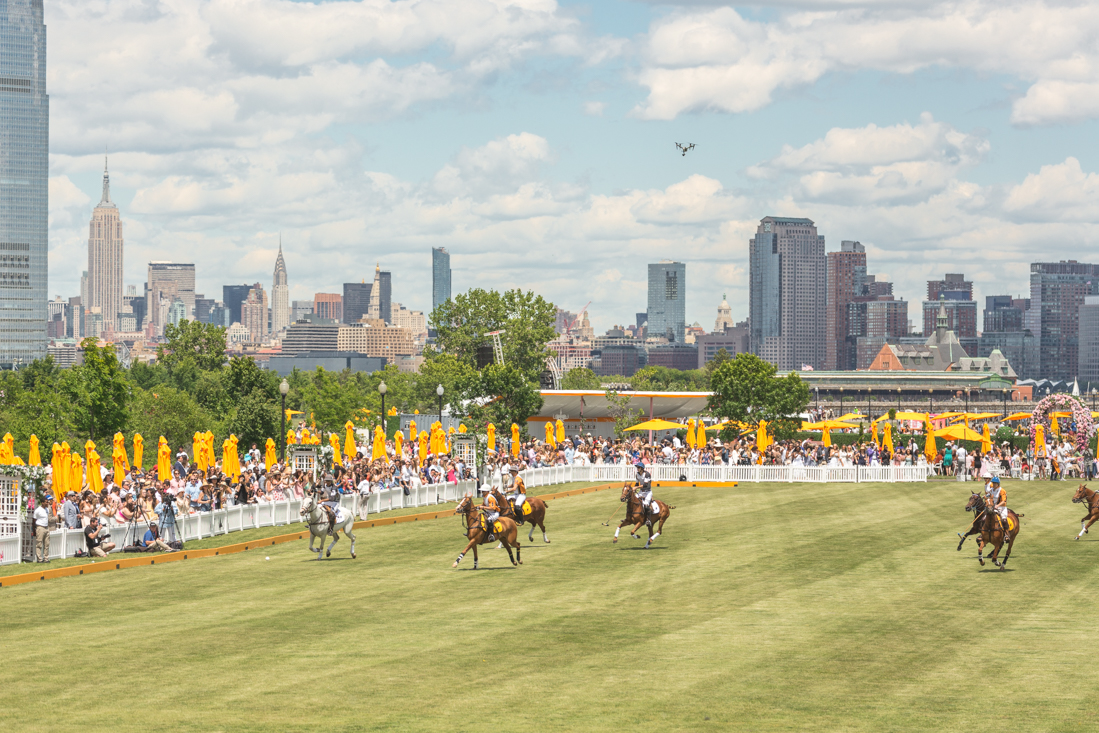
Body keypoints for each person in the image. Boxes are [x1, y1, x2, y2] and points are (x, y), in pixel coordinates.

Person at [33, 497, 50, 562]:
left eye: (47, 502)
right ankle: (39, 559)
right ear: (42, 503)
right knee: (39, 544)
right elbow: (34, 520)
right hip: (40, 527)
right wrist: (34, 530)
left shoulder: (47, 509)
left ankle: (46, 558)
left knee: (46, 544)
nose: (47, 503)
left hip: (46, 527)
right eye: (46, 502)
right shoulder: (37, 510)